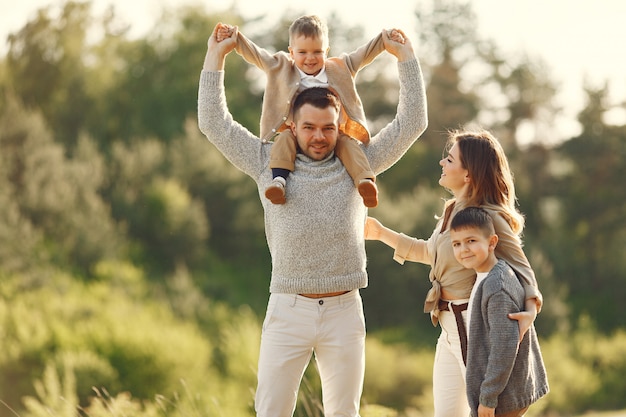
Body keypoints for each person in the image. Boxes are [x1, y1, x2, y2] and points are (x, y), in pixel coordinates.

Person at [198, 22, 427, 417]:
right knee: (271, 410)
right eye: (309, 128)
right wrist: (215, 56)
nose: (319, 137)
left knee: (343, 413)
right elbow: (213, 122)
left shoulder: (361, 164)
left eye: (328, 128)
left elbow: (412, 123)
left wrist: (405, 58)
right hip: (288, 309)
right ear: (292, 124)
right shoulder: (265, 163)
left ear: (340, 127)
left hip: (343, 312)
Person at [364, 129, 543, 417]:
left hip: (471, 326)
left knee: (483, 411)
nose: (441, 163)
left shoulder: (487, 215)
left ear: (469, 173)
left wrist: (531, 310)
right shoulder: (451, 210)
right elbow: (430, 253)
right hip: (447, 326)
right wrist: (381, 233)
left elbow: (522, 268)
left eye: (449, 159)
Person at [215, 15, 406, 207]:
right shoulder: (280, 67)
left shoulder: (339, 68)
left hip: (331, 133)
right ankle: (279, 182)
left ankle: (364, 182)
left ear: (327, 51)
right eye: (302, 52)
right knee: (283, 141)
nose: (310, 58)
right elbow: (256, 54)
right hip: (294, 131)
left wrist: (385, 39)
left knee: (348, 145)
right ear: (291, 52)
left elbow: (364, 54)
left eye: (317, 52)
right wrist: (234, 38)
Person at [450, 206, 549, 417]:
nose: (463, 249)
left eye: (471, 241)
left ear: (492, 242)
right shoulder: (485, 277)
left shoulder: (498, 287)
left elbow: (503, 347)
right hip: (500, 394)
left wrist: (488, 398)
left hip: (504, 396)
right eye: (457, 244)